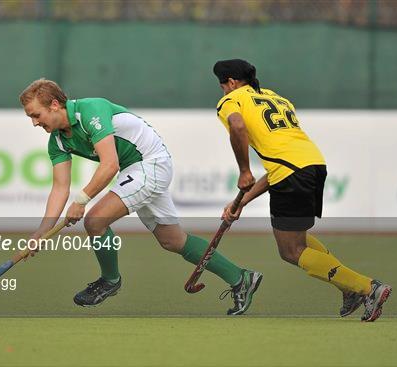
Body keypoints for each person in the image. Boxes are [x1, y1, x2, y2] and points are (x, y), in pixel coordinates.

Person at [19, 78, 263, 315]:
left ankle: (110, 280)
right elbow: (60, 187)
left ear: (54, 104)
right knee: (172, 240)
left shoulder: (90, 110)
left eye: (35, 115)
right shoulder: (58, 141)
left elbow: (110, 165)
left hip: (150, 163)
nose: (34, 123)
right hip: (136, 169)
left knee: (95, 221)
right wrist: (42, 231)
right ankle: (240, 278)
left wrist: (81, 201)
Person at [212, 59, 391, 322]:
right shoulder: (275, 98)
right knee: (299, 240)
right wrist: (241, 202)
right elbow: (279, 167)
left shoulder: (232, 100)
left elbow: (237, 127)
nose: (223, 92)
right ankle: (349, 289)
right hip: (312, 165)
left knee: (290, 251)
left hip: (292, 172)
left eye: (222, 86)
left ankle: (368, 288)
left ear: (231, 82)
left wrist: (244, 171)